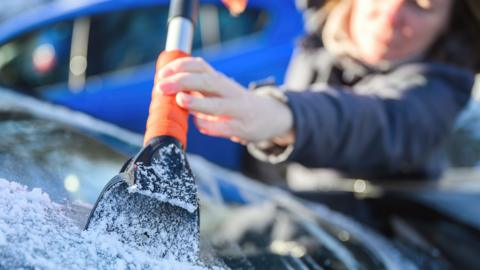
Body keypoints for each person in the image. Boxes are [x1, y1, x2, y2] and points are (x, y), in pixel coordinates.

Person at [155, 0, 480, 183]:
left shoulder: (441, 87)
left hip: (366, 239)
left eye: (422, 5)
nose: (391, 14)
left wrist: (280, 114)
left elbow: (379, 122)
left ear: (449, 21)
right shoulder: (318, 31)